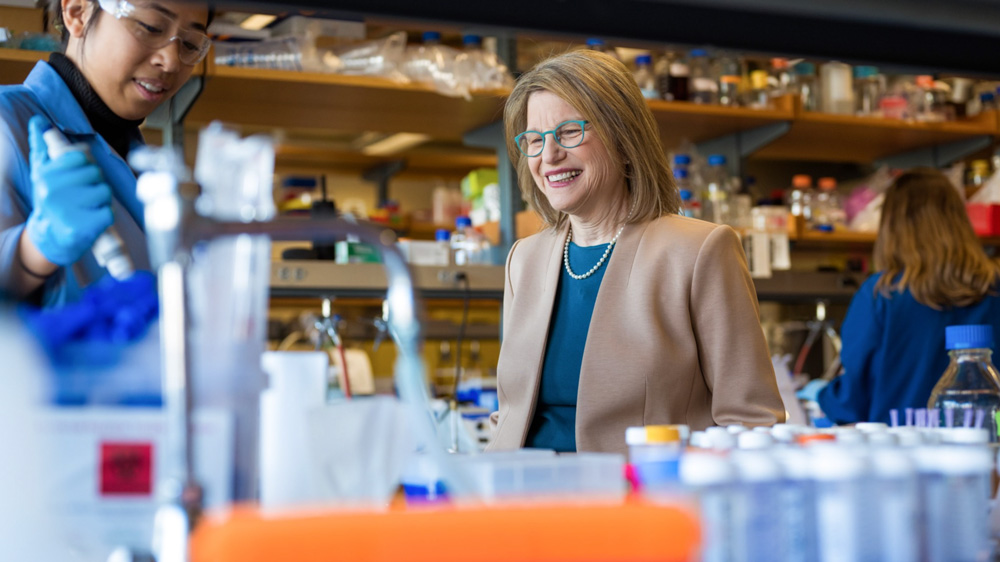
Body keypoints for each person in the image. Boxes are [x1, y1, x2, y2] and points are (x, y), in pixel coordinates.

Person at [487, 50, 784, 455]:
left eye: (570, 132)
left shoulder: (699, 251)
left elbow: (752, 422)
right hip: (520, 501)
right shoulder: (524, 260)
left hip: (640, 501)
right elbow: (511, 413)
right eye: (535, 140)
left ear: (623, 138)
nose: (549, 155)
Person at [0, 0, 212, 306]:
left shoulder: (145, 164)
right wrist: (34, 250)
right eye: (151, 27)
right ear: (77, 12)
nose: (172, 61)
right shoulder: (7, 122)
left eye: (190, 44)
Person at [813, 168, 1000, 425]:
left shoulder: (880, 294)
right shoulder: (994, 286)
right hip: (987, 446)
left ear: (892, 228)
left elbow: (850, 400)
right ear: (959, 218)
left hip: (900, 453)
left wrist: (819, 397)